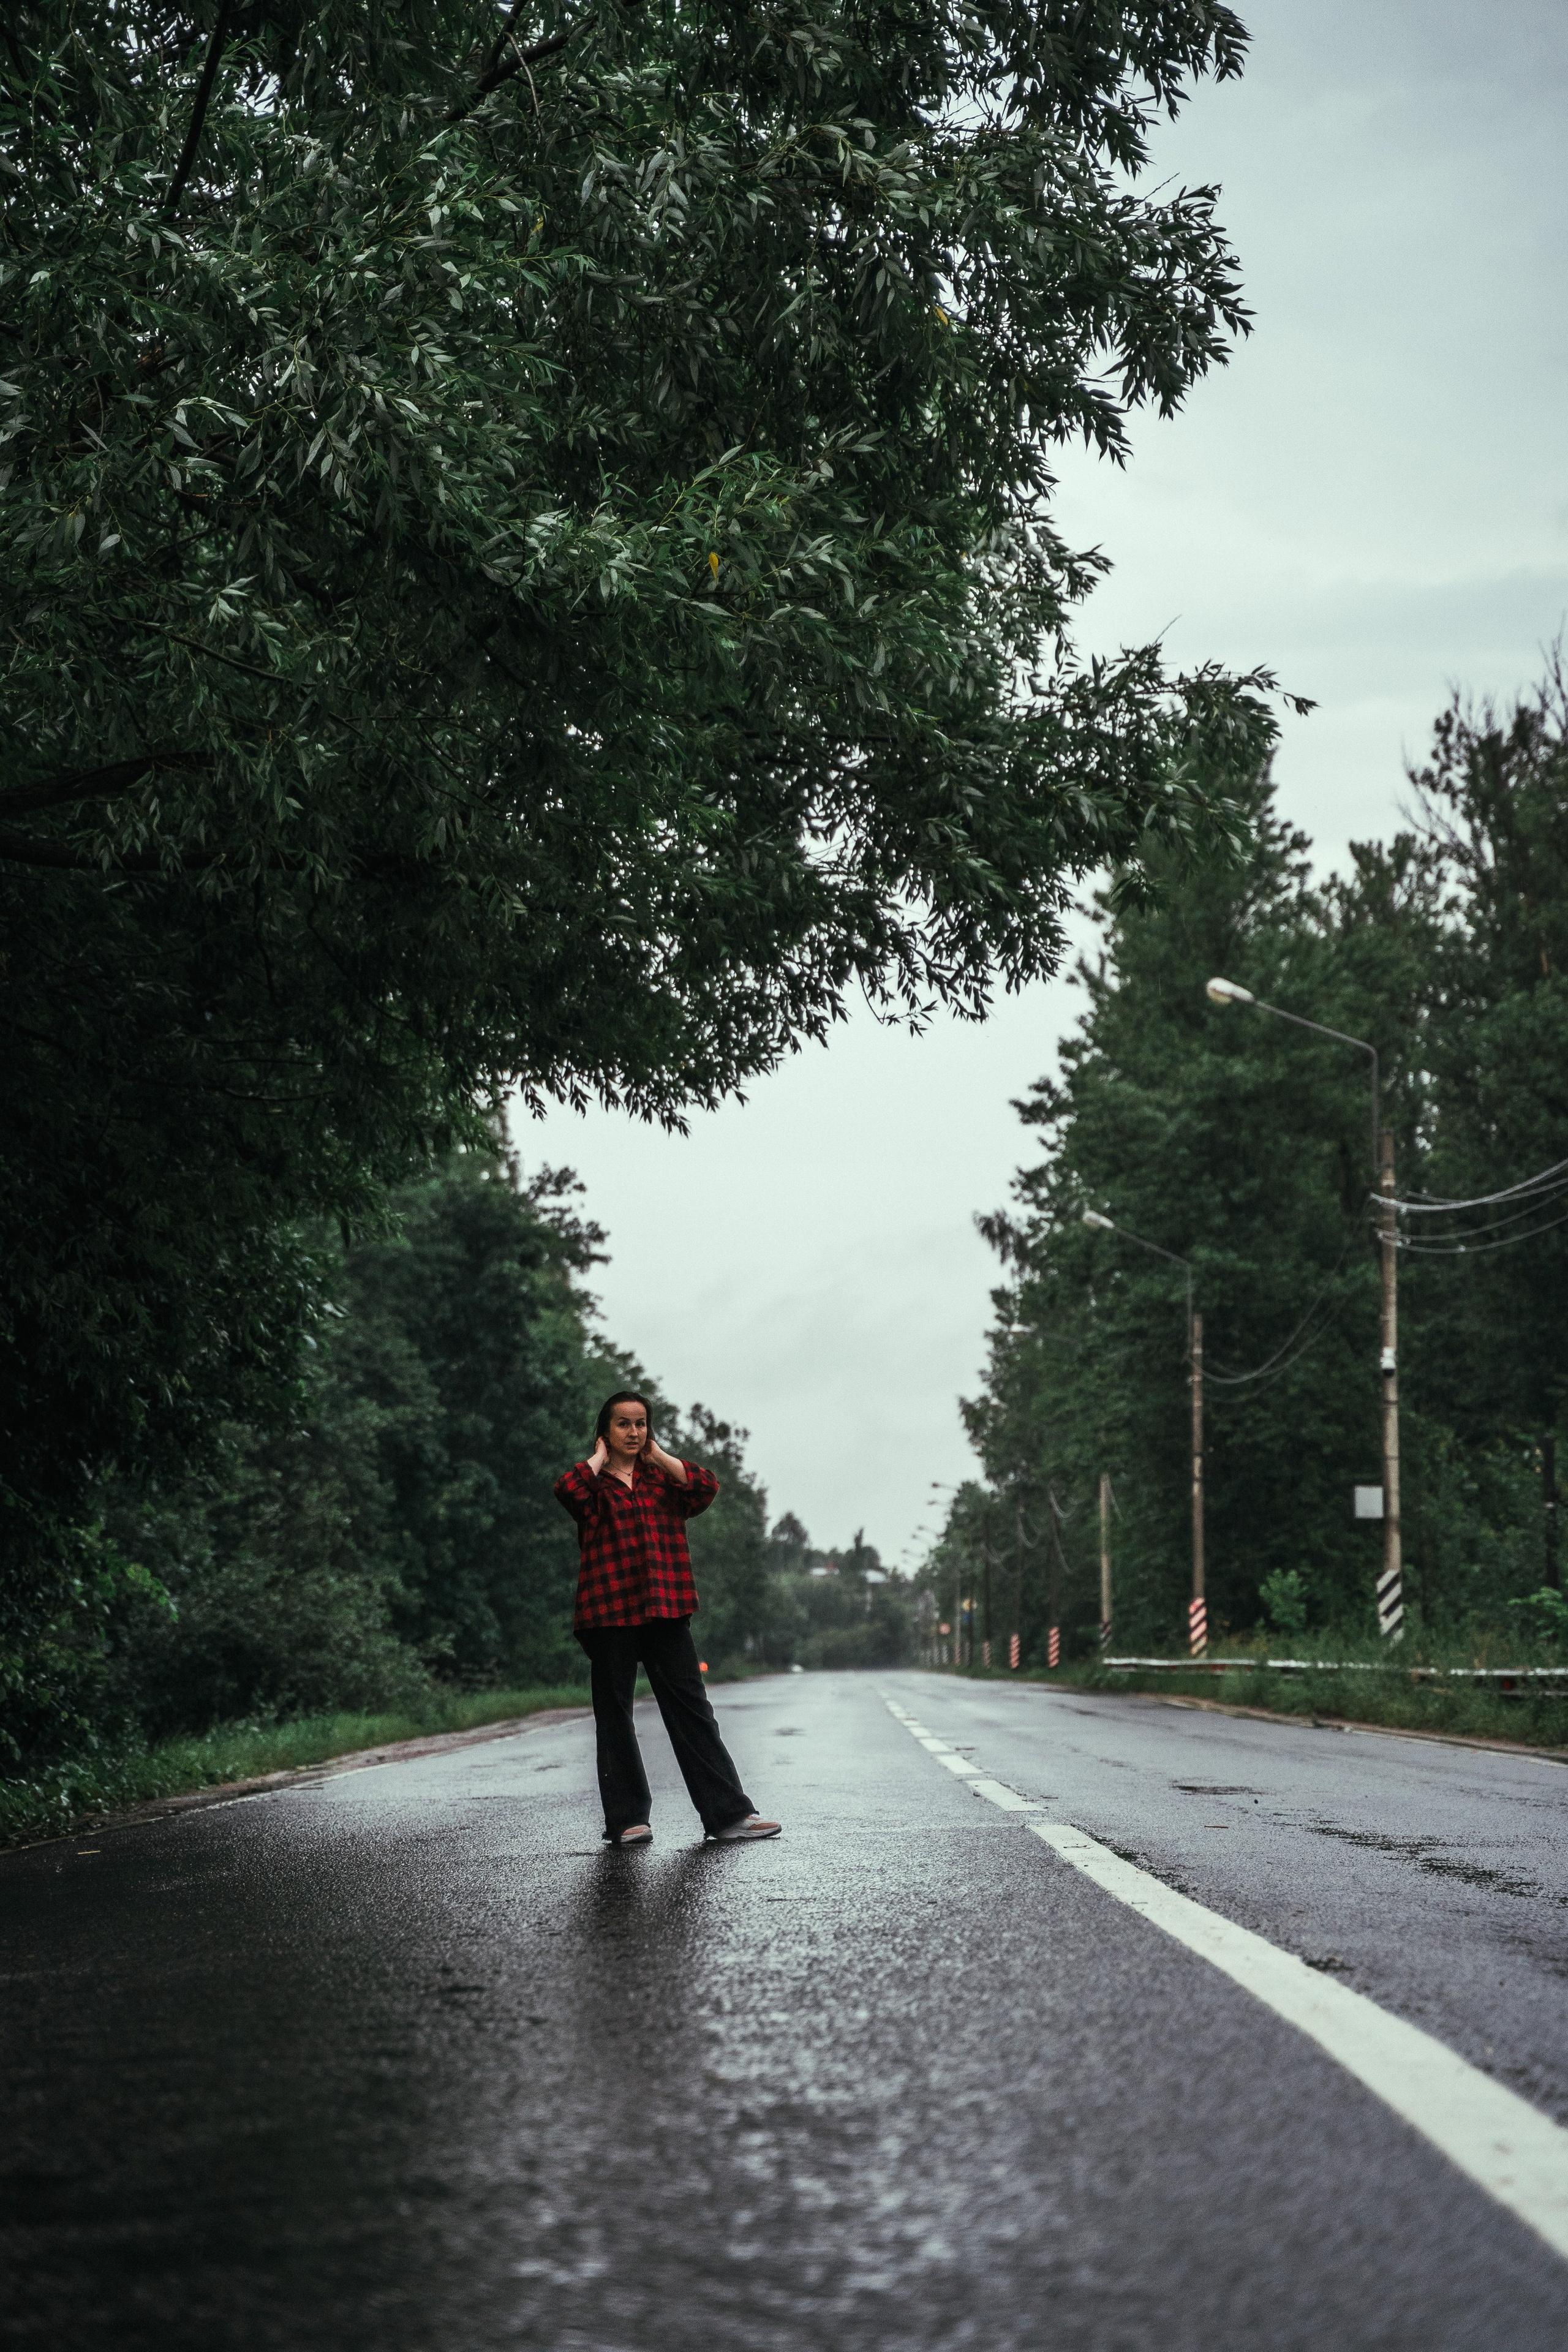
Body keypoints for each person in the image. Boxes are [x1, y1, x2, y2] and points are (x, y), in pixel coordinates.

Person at [554, 1391, 782, 1848]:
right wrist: (599, 1458)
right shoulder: (593, 1486)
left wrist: (658, 1455)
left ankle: (729, 1815)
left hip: (667, 1608)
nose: (634, 1432)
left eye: (641, 1423)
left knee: (693, 1712)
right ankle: (627, 1821)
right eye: (623, 1424)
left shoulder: (663, 1481)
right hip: (609, 1612)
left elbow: (705, 1487)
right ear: (606, 1431)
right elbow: (567, 1490)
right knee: (615, 1717)